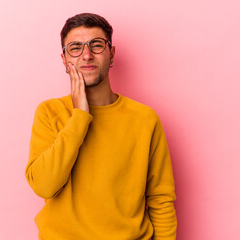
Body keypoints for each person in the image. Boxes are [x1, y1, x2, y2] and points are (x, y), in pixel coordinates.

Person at [25, 13, 177, 240]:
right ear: (65, 60)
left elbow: (160, 199)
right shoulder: (50, 113)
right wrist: (79, 117)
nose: (87, 55)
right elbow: (45, 186)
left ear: (111, 54)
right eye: (75, 48)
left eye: (96, 45)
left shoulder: (144, 119)